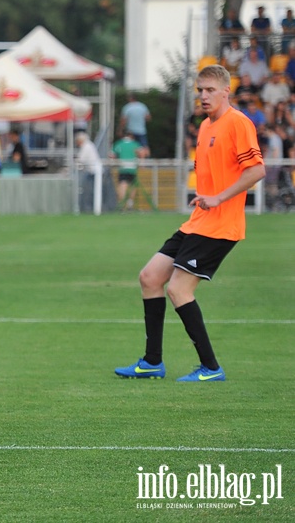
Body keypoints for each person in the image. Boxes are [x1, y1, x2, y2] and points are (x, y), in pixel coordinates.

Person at [115, 64, 265, 382]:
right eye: (200, 90)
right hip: (198, 221)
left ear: (227, 91)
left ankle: (211, 368)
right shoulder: (205, 127)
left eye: (210, 90)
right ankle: (152, 361)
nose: (204, 96)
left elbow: (255, 171)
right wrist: (204, 196)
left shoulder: (238, 123)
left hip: (221, 225)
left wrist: (219, 197)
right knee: (150, 277)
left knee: (179, 289)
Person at [111, 129, 144, 211]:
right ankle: (130, 203)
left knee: (122, 185)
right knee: (132, 186)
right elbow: (142, 152)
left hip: (123, 168)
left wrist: (114, 163)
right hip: (132, 168)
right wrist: (141, 163)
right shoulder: (135, 144)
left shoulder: (119, 143)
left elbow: (112, 155)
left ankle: (122, 205)